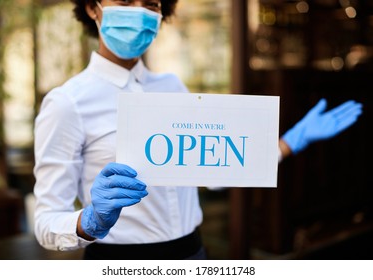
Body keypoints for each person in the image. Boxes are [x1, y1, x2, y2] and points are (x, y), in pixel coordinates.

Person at [33, 0, 363, 260]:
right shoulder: (67, 102)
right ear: (93, 7)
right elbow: (46, 223)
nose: (139, 12)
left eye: (150, 4)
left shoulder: (171, 86)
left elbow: (213, 169)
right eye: (124, 0)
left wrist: (290, 141)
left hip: (194, 255)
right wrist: (89, 221)